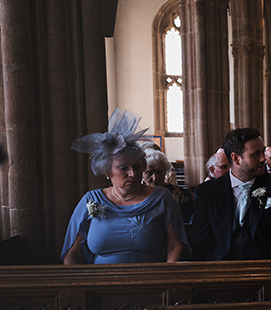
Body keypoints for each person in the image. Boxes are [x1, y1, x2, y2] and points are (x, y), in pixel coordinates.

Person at [61, 109, 190, 264]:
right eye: (124, 168)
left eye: (137, 167)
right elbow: (72, 254)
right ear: (107, 171)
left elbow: (175, 246)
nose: (133, 174)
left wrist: (165, 281)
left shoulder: (162, 198)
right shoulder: (91, 200)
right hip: (101, 283)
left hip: (150, 281)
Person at [191, 128, 271, 260]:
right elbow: (200, 241)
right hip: (223, 268)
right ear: (236, 158)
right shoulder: (208, 192)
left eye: (263, 152)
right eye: (255, 154)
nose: (263, 159)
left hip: (266, 266)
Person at [142, 148, 195, 223]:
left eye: (159, 172)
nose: (155, 178)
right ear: (141, 174)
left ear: (165, 172)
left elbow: (185, 224)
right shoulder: (134, 195)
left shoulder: (182, 196)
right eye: (149, 173)